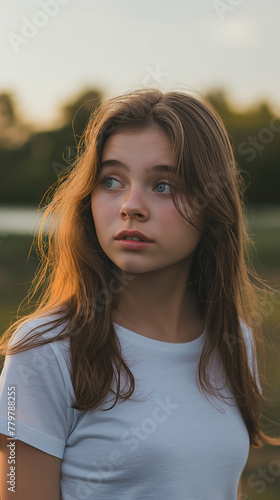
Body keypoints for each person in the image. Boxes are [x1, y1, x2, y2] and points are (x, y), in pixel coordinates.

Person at [0, 87, 279, 500]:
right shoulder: (44, 351)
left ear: (212, 202)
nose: (130, 205)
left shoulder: (233, 339)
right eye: (111, 181)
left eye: (163, 185)